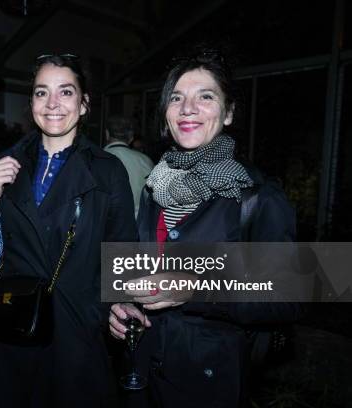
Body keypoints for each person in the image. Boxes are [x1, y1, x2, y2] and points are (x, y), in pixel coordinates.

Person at [109, 47, 303, 407]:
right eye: (177, 98)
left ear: (228, 113)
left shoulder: (257, 196)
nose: (187, 109)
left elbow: (290, 295)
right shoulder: (156, 186)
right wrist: (121, 302)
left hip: (211, 382)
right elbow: (137, 264)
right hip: (144, 372)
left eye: (206, 97)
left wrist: (196, 288)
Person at [0, 54, 137, 407]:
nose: (53, 104)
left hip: (75, 327)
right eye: (42, 93)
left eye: (66, 92)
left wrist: (112, 306)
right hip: (11, 325)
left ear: (84, 103)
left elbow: (123, 252)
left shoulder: (108, 172)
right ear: (30, 103)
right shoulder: (7, 161)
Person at [104, 116, 154, 218]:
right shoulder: (146, 160)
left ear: (107, 134)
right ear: (131, 138)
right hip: (140, 224)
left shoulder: (97, 159)